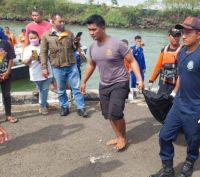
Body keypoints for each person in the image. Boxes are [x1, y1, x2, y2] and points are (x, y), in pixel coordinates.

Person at [148, 16, 200, 177]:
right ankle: (167, 171)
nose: (183, 35)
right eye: (182, 32)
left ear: (199, 34)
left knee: (193, 140)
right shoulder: (181, 52)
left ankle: (189, 161)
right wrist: (174, 91)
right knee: (165, 136)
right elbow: (181, 75)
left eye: (188, 32)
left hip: (196, 107)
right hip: (179, 104)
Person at [81, 15, 144, 151]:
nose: (91, 33)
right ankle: (118, 135)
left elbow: (132, 61)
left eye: (94, 29)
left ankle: (122, 138)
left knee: (115, 112)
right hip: (104, 84)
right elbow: (91, 65)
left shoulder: (117, 44)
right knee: (108, 114)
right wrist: (84, 81)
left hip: (120, 82)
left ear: (103, 27)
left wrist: (139, 79)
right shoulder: (92, 47)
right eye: (89, 30)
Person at [40, 13, 88, 117]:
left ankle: (81, 108)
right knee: (61, 89)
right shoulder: (46, 35)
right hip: (56, 67)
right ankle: (64, 107)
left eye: (63, 21)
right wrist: (44, 67)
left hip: (71, 65)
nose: (62, 23)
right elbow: (43, 52)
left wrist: (76, 42)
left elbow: (74, 48)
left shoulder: (69, 33)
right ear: (52, 22)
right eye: (60, 21)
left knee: (76, 87)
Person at [22, 30, 53, 115]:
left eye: (34, 37)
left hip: (47, 71)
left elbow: (50, 56)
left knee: (44, 89)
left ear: (38, 37)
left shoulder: (43, 46)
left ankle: (43, 106)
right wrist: (31, 58)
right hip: (35, 73)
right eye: (31, 38)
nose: (33, 39)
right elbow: (24, 62)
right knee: (41, 90)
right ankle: (44, 105)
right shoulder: (27, 49)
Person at [148, 27, 181, 94]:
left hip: (176, 84)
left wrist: (176, 90)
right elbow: (158, 66)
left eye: (177, 36)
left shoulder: (183, 51)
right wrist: (151, 81)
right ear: (169, 36)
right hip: (163, 83)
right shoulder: (164, 50)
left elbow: (183, 73)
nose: (175, 38)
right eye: (173, 36)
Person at [0, 28, 18, 123]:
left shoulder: (6, 43)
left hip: (6, 74)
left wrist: (8, 71)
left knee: (6, 95)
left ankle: (8, 115)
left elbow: (11, 58)